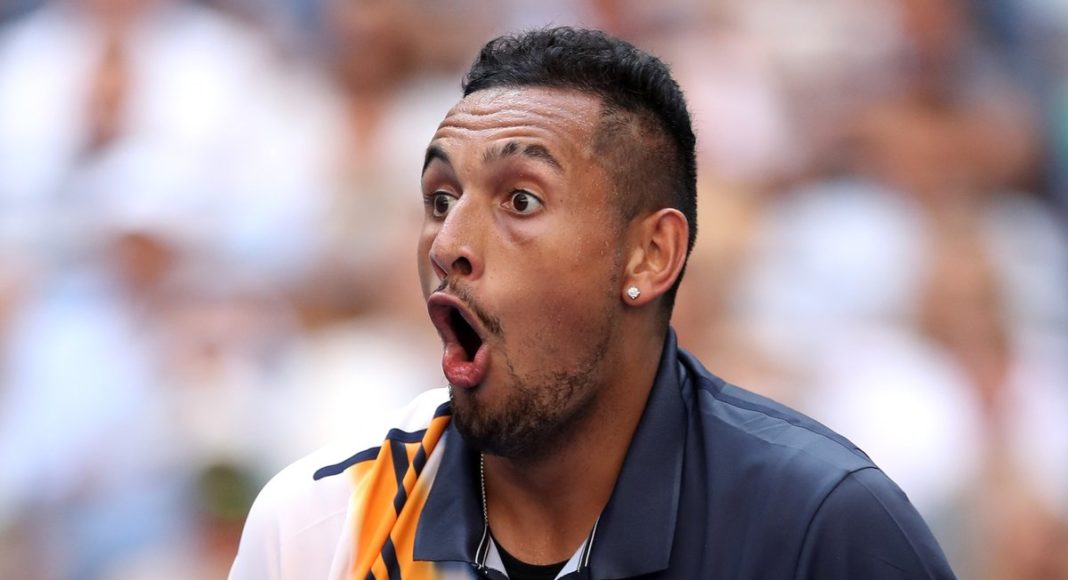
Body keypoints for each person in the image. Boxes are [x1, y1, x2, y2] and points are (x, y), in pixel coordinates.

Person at [229, 27, 956, 579]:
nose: (447, 244)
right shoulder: (317, 529)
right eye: (441, 199)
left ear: (651, 255)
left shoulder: (821, 527)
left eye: (520, 200)